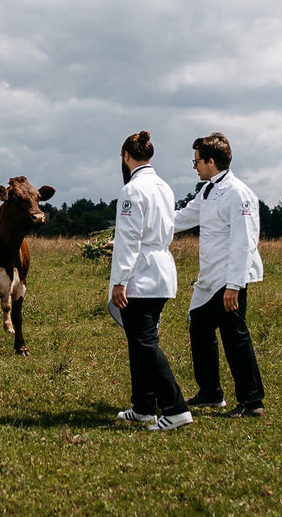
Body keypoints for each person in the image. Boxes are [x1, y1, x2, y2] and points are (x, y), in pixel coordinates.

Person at [174, 132, 266, 417]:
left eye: (197, 161)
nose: (194, 166)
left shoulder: (238, 193)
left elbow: (244, 242)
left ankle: (252, 402)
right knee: (199, 329)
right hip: (209, 278)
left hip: (229, 279)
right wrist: (142, 228)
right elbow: (182, 218)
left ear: (211, 161)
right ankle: (211, 393)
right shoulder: (207, 190)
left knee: (235, 337)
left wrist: (234, 286)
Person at [108, 131, 194, 432]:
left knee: (145, 343)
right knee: (139, 340)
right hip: (161, 268)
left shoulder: (132, 191)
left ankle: (175, 407)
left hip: (141, 274)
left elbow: (130, 238)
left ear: (126, 157)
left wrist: (120, 280)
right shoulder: (164, 187)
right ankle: (143, 405)